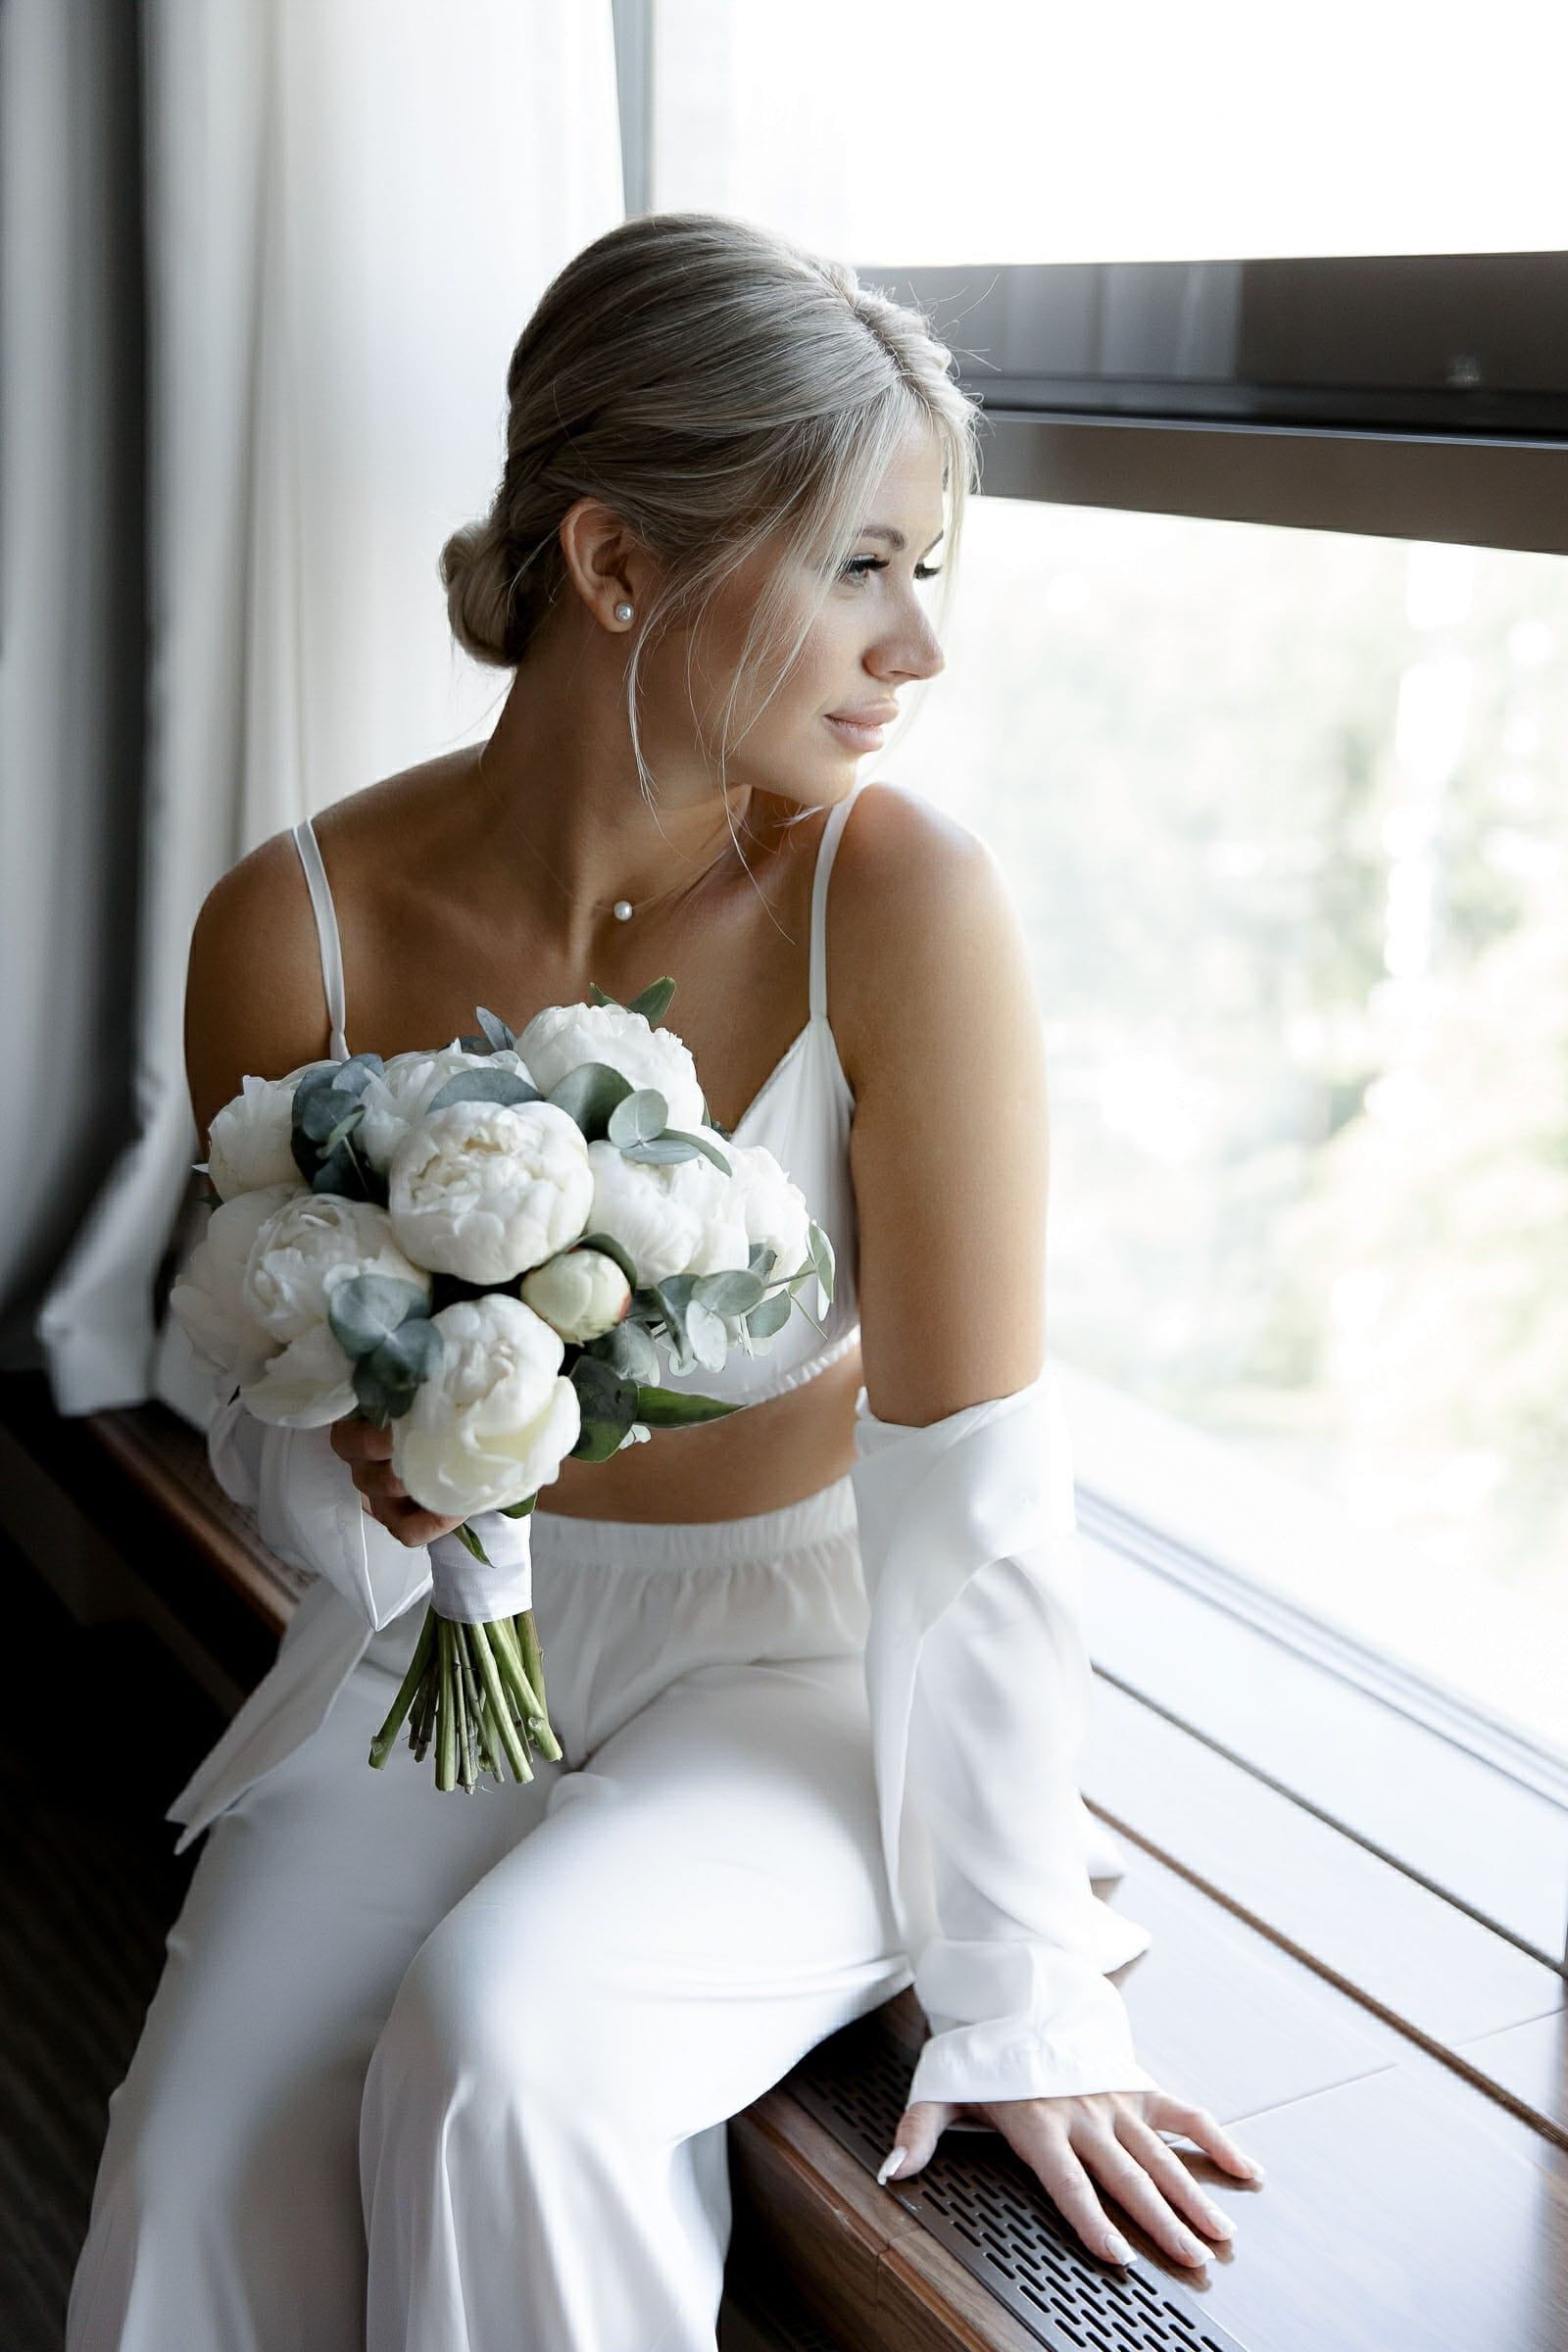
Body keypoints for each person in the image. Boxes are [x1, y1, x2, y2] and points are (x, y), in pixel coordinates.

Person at [66, 210, 1262, 2352]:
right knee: (187, 2170)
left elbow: (972, 1491)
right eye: (857, 565)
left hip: (795, 1672)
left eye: (931, 571)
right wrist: (365, 1460)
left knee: (510, 2055)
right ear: (616, 565)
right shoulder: (293, 929)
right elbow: (271, 1417)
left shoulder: (897, 902)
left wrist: (1015, 1983)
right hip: (444, 1657)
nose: (916, 650)